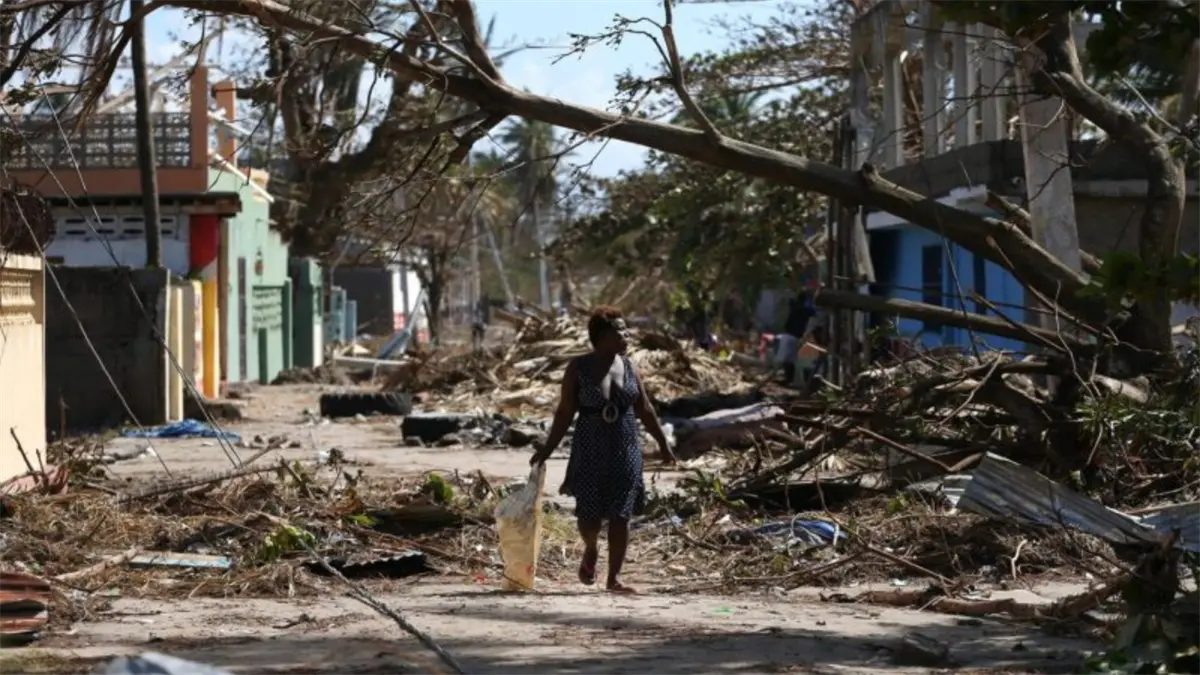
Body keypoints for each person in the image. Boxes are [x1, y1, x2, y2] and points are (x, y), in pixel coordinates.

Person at [530, 305, 676, 593]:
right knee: (589, 516)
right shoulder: (578, 368)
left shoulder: (630, 366)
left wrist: (663, 445)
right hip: (589, 445)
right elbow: (564, 413)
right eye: (619, 331)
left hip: (625, 445)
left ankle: (614, 578)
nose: (626, 335)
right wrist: (546, 450)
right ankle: (591, 547)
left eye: (626, 330)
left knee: (621, 514)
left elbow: (644, 409)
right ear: (601, 335)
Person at [778, 285, 817, 385]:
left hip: (789, 334)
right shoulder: (804, 310)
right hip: (794, 336)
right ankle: (789, 380)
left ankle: (788, 379)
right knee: (791, 360)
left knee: (789, 360)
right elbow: (813, 312)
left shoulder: (794, 305)